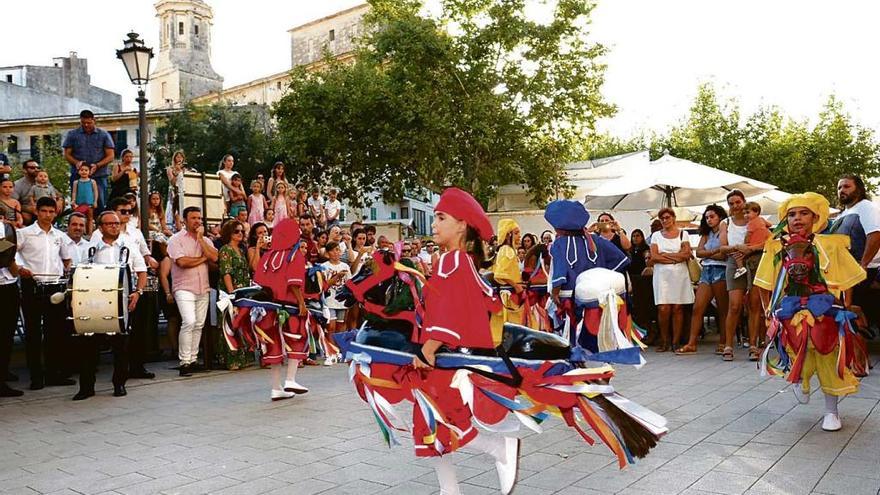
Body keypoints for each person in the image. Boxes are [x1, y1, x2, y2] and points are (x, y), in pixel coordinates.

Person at [754, 192, 865, 432]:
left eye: (804, 213)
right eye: (792, 214)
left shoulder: (830, 244)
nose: (797, 218)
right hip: (792, 312)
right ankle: (800, 382)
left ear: (816, 217)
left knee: (829, 360)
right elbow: (764, 284)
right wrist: (767, 312)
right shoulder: (776, 247)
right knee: (796, 355)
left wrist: (845, 308)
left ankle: (831, 412)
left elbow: (847, 280)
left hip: (825, 312)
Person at [73, 211, 148, 400]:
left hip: (121, 304)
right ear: (100, 227)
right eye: (110, 224)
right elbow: (80, 274)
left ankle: (119, 384)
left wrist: (137, 293)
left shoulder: (129, 246)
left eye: (116, 223)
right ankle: (86, 388)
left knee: (121, 347)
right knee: (88, 346)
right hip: (95, 304)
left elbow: (142, 271)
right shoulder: (90, 249)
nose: (115, 226)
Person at [546, 200, 631, 353]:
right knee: (597, 333)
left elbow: (559, 271)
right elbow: (622, 259)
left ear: (558, 226)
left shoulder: (559, 244)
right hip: (598, 296)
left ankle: (578, 363)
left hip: (570, 298)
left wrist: (555, 292)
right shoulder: (596, 240)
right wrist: (600, 275)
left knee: (572, 334)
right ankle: (601, 364)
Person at [16, 197, 73, 390]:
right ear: (37, 212)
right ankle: (36, 377)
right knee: (33, 332)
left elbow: (66, 259)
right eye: (44, 211)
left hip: (54, 286)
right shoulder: (24, 233)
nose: (47, 215)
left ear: (55, 213)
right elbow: (8, 251)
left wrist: (66, 271)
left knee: (54, 331)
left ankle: (53, 373)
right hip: (32, 285)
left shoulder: (59, 235)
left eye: (51, 212)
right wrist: (20, 268)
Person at [251, 218, 310, 400]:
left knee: (273, 343)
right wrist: (301, 303)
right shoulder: (294, 255)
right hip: (289, 306)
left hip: (268, 306)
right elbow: (294, 283)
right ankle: (291, 379)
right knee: (298, 338)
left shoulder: (268, 255)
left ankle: (276, 387)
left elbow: (258, 277)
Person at [167, 206, 219, 376]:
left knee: (198, 324)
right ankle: (184, 362)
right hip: (183, 286)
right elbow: (182, 262)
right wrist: (203, 258)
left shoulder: (206, 240)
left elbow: (215, 258)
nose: (197, 221)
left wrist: (201, 240)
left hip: (202, 286)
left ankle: (193, 359)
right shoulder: (176, 239)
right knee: (189, 321)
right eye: (193, 218)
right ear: (184, 220)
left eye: (199, 218)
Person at [831, 174, 880, 335]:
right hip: (842, 275)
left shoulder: (866, 207)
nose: (841, 190)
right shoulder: (841, 215)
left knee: (852, 317)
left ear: (858, 189)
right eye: (839, 188)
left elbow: (875, 234)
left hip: (862, 271)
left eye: (846, 186)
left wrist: (863, 265)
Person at [677, 205, 729, 355]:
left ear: (720, 217)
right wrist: (714, 252)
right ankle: (692, 343)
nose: (709, 220)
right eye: (707, 217)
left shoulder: (725, 232)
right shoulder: (706, 234)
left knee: (722, 308)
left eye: (712, 216)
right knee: (697, 307)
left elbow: (724, 254)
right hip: (707, 271)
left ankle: (723, 341)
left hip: (721, 269)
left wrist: (708, 254)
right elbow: (699, 252)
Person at [719, 189, 764, 361]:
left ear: (744, 201)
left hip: (755, 261)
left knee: (754, 305)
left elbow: (768, 241)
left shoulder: (756, 219)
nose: (735, 206)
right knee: (735, 305)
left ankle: (753, 345)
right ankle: (728, 345)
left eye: (738, 202)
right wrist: (739, 249)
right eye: (731, 203)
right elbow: (722, 247)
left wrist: (750, 249)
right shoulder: (726, 223)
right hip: (734, 261)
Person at [648, 207, 695, 352]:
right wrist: (675, 257)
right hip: (662, 275)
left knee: (678, 307)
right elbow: (654, 256)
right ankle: (664, 340)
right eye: (662, 218)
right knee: (663, 308)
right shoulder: (656, 235)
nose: (664, 220)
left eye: (667, 217)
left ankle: (675, 341)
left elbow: (686, 254)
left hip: (679, 274)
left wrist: (665, 256)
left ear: (673, 218)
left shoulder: (683, 234)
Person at [63, 110, 115, 211]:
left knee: (99, 202)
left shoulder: (104, 135)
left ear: (94, 120)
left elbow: (111, 155)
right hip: (78, 175)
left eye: (89, 123)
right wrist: (76, 163)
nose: (86, 125)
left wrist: (98, 165)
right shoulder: (72, 134)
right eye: (83, 123)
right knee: (78, 205)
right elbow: (67, 154)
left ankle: (99, 224)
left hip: (99, 175)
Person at [218, 220, 251, 370]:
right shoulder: (226, 250)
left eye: (242, 231)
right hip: (230, 293)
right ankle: (231, 360)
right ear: (229, 233)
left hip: (243, 291)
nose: (240, 234)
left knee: (240, 324)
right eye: (236, 231)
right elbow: (226, 272)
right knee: (230, 324)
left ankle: (242, 358)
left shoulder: (241, 250)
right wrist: (232, 294)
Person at [491, 219, 528, 335]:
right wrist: (516, 286)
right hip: (508, 297)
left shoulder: (508, 250)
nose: (519, 237)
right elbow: (500, 273)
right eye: (516, 233)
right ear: (508, 235)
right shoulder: (507, 250)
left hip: (512, 296)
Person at [0, 220, 23, 397]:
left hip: (9, 285)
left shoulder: (5, 226)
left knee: (6, 335)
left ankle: (3, 374)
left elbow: (8, 254)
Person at [320, 241, 351, 365]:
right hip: (329, 300)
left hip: (342, 301)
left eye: (338, 249)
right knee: (330, 326)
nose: (336, 252)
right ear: (328, 253)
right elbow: (325, 285)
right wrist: (337, 276)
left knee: (341, 326)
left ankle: (339, 351)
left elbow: (349, 283)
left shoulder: (345, 266)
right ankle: (331, 351)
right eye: (333, 250)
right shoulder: (324, 266)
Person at [627, 228, 656, 338]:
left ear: (642, 237)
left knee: (645, 306)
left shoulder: (646, 249)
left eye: (638, 236)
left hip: (645, 281)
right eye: (633, 236)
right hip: (633, 280)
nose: (635, 238)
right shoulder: (630, 250)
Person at [733, 202, 772, 279]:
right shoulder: (761, 219)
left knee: (738, 254)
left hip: (754, 244)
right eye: (744, 213)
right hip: (764, 242)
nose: (745, 215)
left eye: (747, 212)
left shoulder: (751, 223)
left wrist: (745, 244)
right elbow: (770, 225)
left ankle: (741, 268)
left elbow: (748, 235)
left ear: (756, 212)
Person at [156, 241, 180, 358]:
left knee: (176, 320)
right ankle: (174, 347)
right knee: (173, 319)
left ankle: (177, 347)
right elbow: (163, 276)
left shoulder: (175, 257)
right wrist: (167, 293)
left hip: (176, 290)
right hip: (170, 292)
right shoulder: (167, 259)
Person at [72, 163, 98, 234]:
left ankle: (90, 234)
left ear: (89, 172)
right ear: (78, 171)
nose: (84, 172)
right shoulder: (76, 182)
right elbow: (74, 192)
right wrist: (73, 201)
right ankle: (81, 233)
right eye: (82, 170)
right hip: (79, 204)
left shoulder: (92, 182)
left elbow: (95, 192)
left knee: (90, 218)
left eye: (86, 170)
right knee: (80, 219)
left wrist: (95, 201)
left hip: (90, 204)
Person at [12, 159, 39, 225]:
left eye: (38, 168)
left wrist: (60, 200)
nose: (36, 170)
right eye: (32, 168)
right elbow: (12, 203)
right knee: (26, 216)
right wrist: (28, 209)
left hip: (43, 207)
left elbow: (57, 193)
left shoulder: (43, 180)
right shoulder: (18, 184)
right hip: (27, 209)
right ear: (24, 170)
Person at [166, 150, 186, 231]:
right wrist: (177, 172)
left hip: (183, 191)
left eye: (181, 157)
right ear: (174, 158)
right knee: (174, 210)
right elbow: (172, 182)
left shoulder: (185, 169)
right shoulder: (170, 169)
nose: (179, 159)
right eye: (178, 157)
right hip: (174, 192)